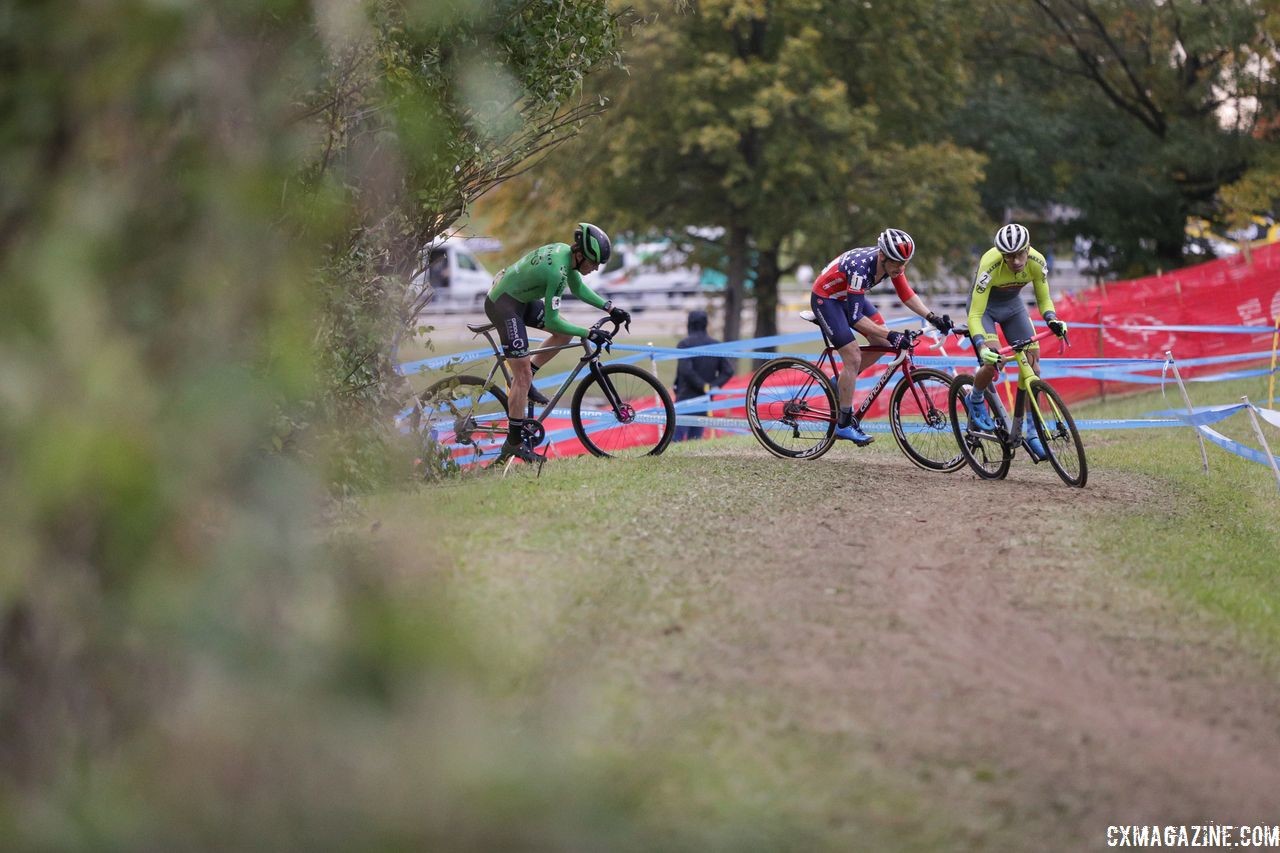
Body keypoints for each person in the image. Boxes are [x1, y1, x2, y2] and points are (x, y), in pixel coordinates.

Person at [483, 222, 631, 462]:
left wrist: (610, 307)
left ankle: (528, 376)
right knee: (520, 376)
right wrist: (589, 333)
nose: (595, 269)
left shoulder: (566, 254)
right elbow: (553, 320)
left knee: (563, 337)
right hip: (504, 305)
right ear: (581, 255)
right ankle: (514, 443)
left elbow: (579, 288)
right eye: (593, 263)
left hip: (519, 298)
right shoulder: (558, 272)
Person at [809, 228, 954, 445]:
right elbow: (857, 318)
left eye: (905, 262)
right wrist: (891, 334)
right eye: (896, 262)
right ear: (883, 256)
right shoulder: (861, 270)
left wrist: (932, 317)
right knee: (853, 356)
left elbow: (906, 294)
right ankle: (844, 424)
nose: (901, 267)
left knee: (883, 343)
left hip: (845, 296)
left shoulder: (892, 263)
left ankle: (840, 383)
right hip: (827, 299)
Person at [961, 223, 1069, 461]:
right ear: (1002, 254)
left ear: (1028, 248)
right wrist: (981, 345)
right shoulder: (989, 265)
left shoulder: (1037, 262)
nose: (1017, 260)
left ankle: (1031, 432)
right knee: (993, 362)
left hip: (1013, 308)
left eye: (1020, 254)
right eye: (1010, 256)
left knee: (1033, 367)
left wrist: (1052, 319)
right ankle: (975, 397)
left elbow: (1044, 299)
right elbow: (975, 315)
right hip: (984, 311)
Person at [672, 309, 735, 442]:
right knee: (695, 439)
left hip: (685, 397)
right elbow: (728, 371)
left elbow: (686, 370)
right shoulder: (716, 345)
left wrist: (702, 385)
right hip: (706, 398)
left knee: (675, 439)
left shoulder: (685, 344)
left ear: (689, 324)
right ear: (706, 324)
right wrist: (710, 386)